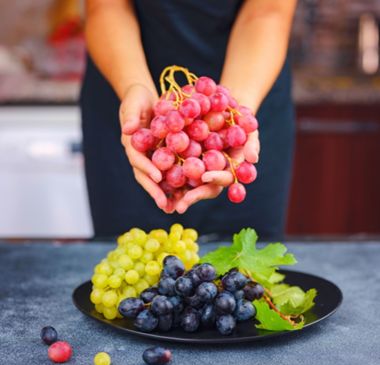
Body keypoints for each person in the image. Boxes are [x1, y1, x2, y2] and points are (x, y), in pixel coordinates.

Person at [81, 0, 297, 240]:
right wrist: (135, 85)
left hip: (249, 80)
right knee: (127, 249)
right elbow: (106, 7)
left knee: (247, 260)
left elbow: (267, 12)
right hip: (133, 95)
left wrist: (235, 106)